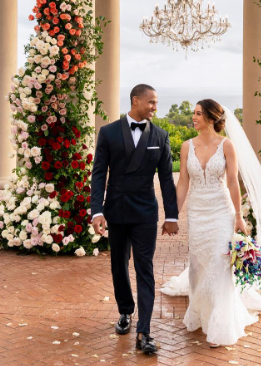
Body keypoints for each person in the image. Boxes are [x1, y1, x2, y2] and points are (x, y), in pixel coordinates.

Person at [161, 99, 261, 347]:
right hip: (197, 211)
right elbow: (182, 182)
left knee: (218, 263)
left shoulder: (227, 145)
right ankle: (202, 312)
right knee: (199, 264)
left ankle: (220, 324)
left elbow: (233, 181)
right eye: (194, 113)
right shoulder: (185, 146)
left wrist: (238, 215)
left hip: (220, 211)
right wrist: (173, 215)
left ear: (212, 119)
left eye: (198, 114)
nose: (194, 117)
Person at [91, 84, 179, 355]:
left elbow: (166, 179)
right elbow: (98, 174)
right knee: (119, 265)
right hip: (115, 211)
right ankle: (125, 312)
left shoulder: (161, 136)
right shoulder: (108, 132)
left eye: (156, 103)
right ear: (135, 100)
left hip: (144, 214)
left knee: (145, 268)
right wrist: (97, 210)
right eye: (151, 102)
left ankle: (145, 330)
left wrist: (171, 214)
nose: (155, 107)